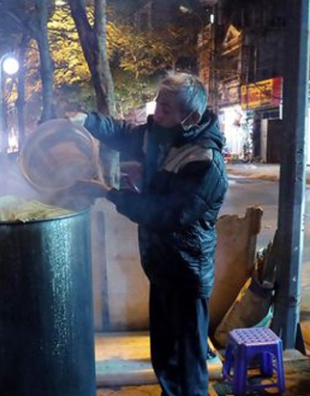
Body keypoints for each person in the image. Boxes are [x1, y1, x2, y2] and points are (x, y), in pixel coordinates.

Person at [69, 72, 228, 396]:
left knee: (188, 363)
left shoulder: (204, 161)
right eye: (158, 103)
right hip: (162, 266)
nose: (157, 113)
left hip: (186, 272)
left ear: (191, 117)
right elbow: (124, 133)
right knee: (165, 357)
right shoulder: (161, 134)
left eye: (167, 109)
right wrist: (85, 119)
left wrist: (109, 192)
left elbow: (167, 215)